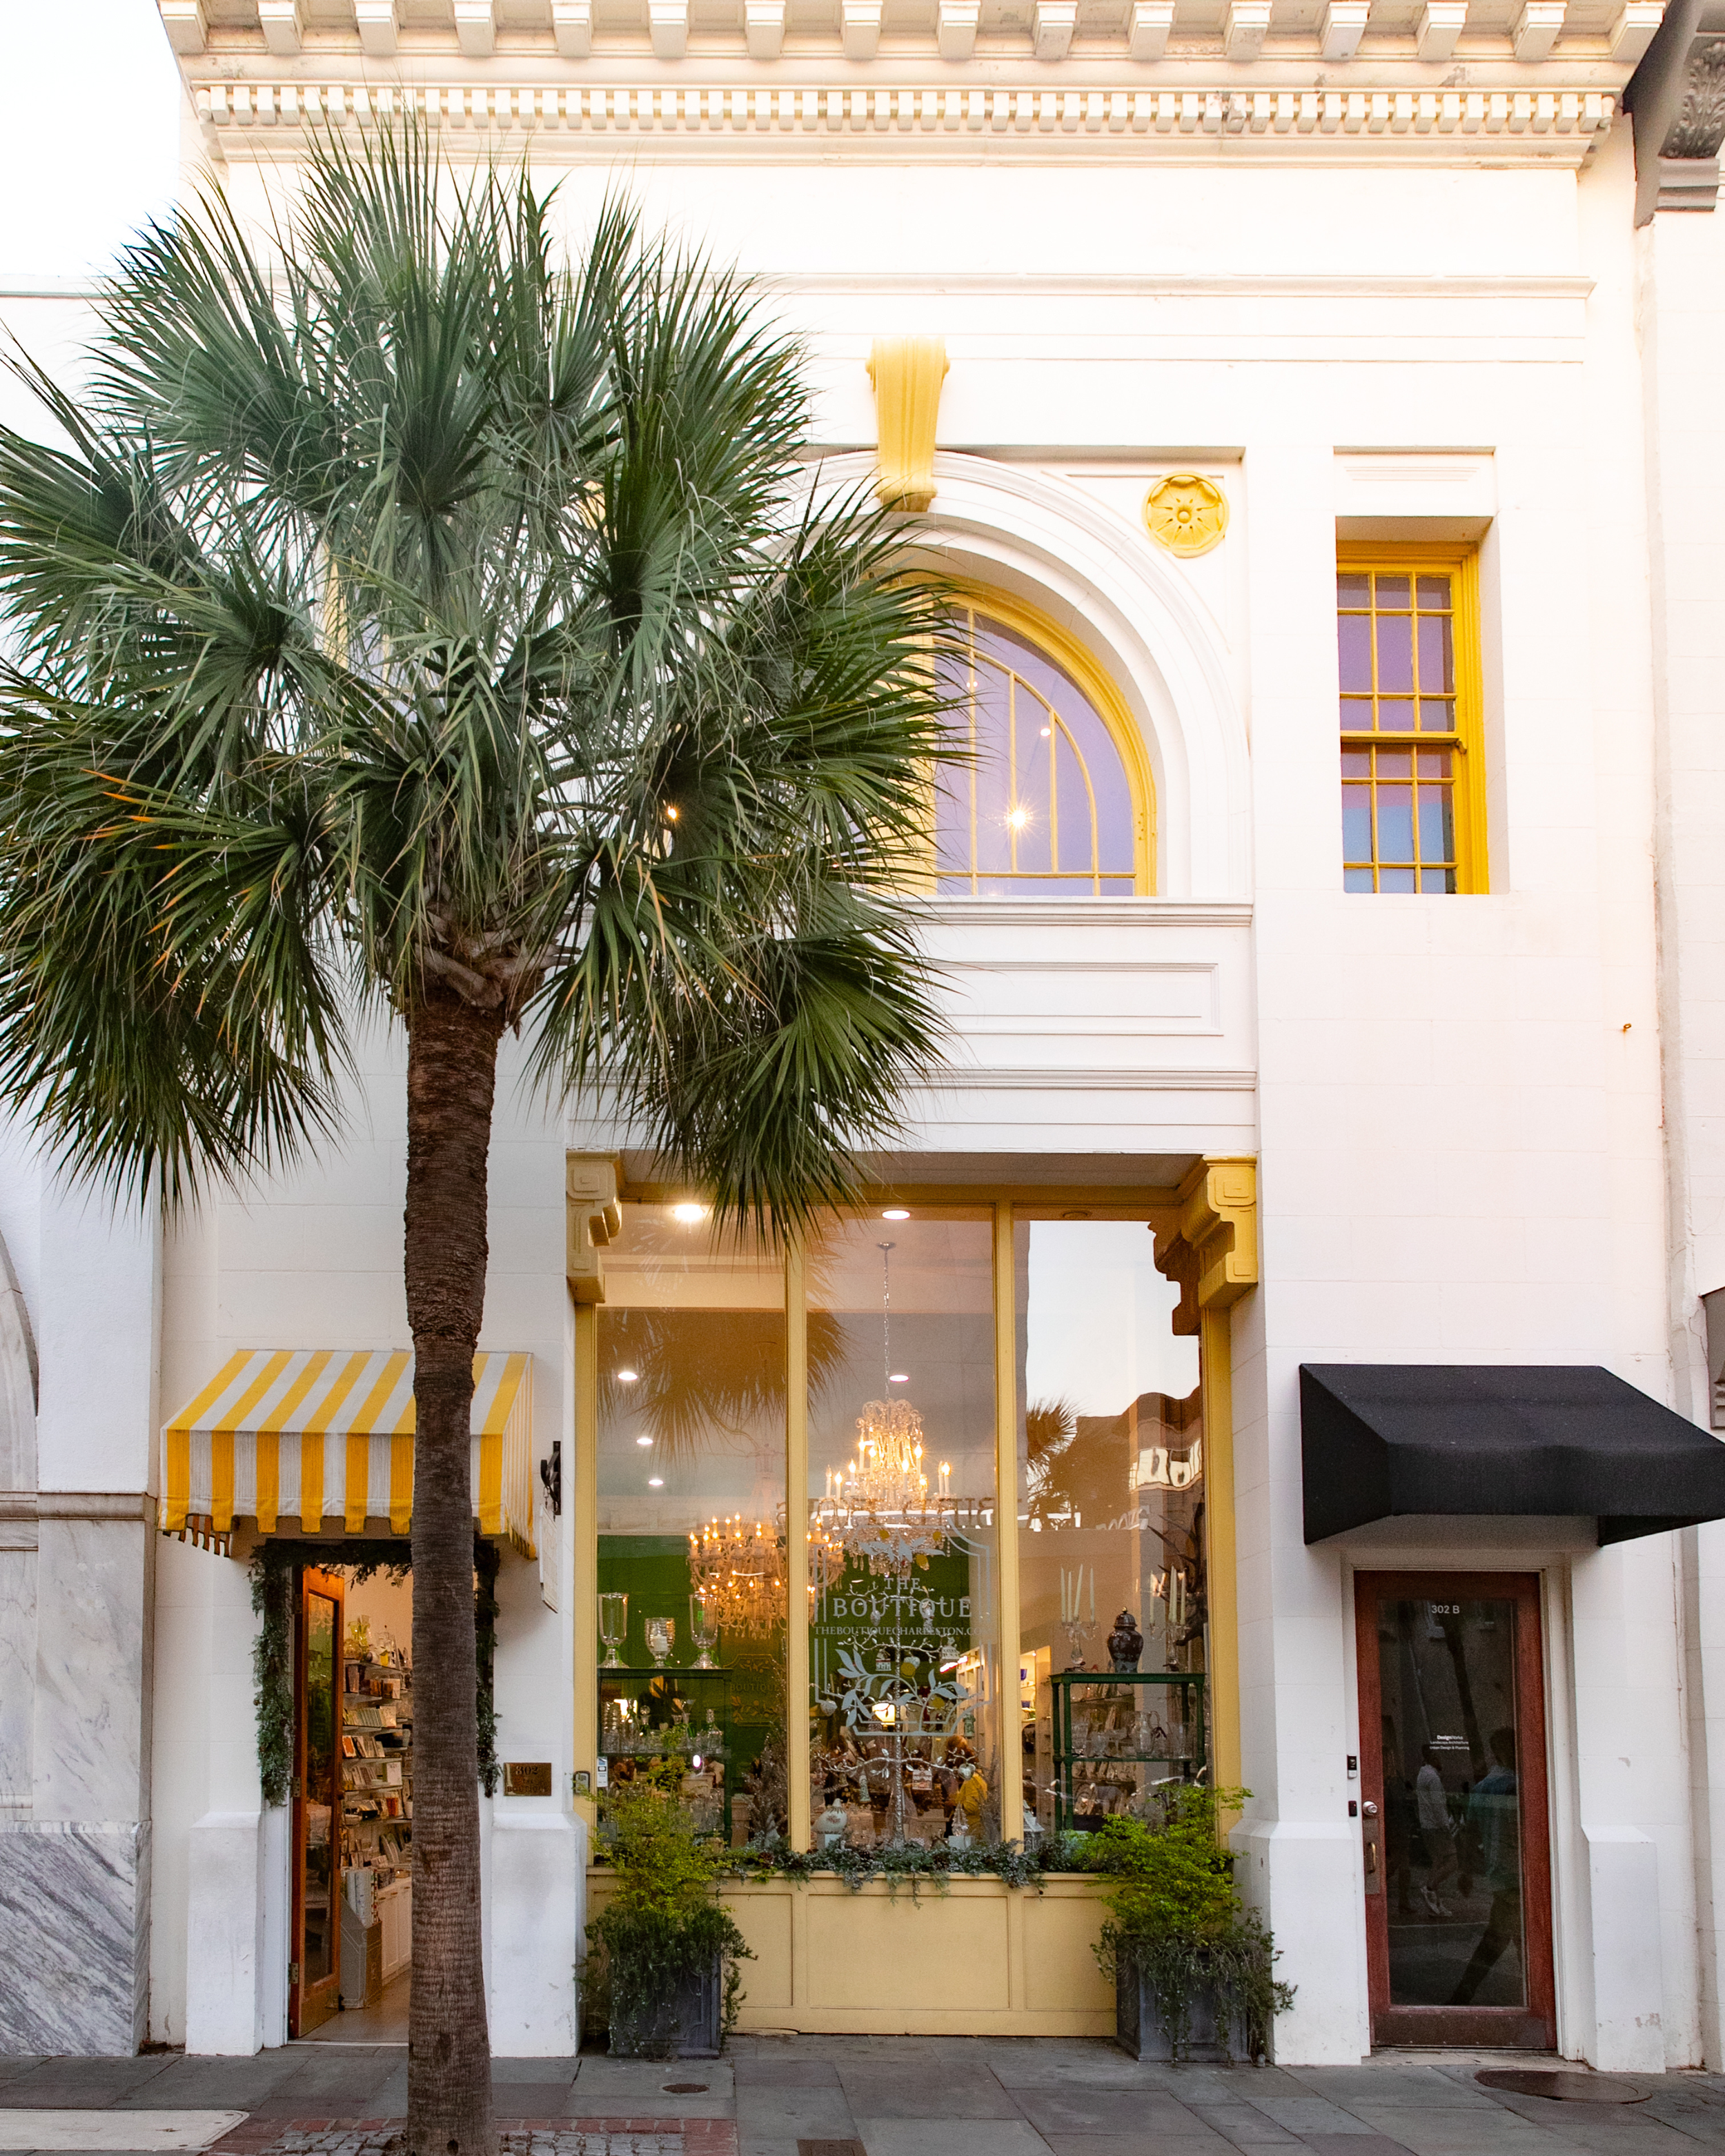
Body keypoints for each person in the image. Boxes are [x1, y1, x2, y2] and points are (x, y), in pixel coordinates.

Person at [1451, 1727, 1522, 2004]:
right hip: (1517, 1875)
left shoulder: (1482, 1788)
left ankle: (1462, 1995)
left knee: (1504, 1938)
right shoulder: (1514, 1786)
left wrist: (1466, 1871)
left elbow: (1471, 1834)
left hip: (1500, 1875)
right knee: (1501, 1940)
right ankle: (1463, 1995)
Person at [1414, 1743, 1460, 1917]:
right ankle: (1429, 1888)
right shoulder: (1433, 1778)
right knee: (1452, 1862)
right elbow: (1438, 1805)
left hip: (1427, 1825)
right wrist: (1445, 1826)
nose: (1443, 1761)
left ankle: (1435, 1904)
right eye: (1440, 1757)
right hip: (1437, 1827)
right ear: (1433, 1758)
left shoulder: (1422, 1774)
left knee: (1438, 1862)